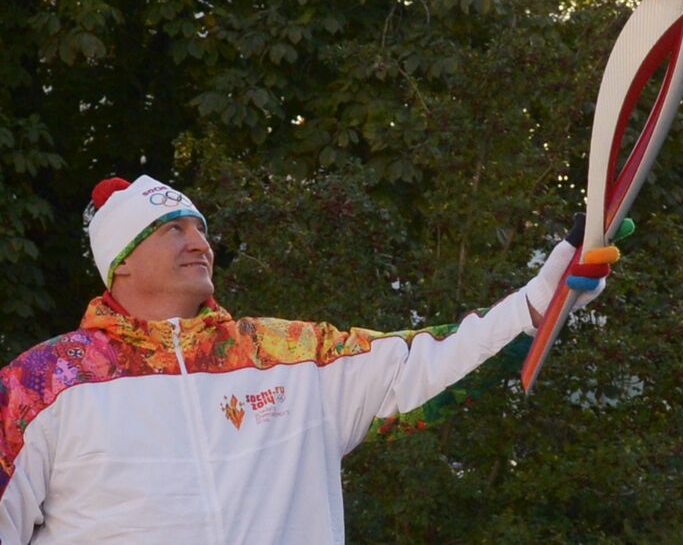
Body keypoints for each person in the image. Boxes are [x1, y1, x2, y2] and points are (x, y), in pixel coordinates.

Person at [0, 174, 615, 544]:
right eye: (172, 230)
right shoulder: (46, 383)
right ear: (122, 261)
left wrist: (540, 303)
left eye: (199, 227)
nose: (198, 241)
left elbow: (426, 367)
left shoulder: (286, 357)